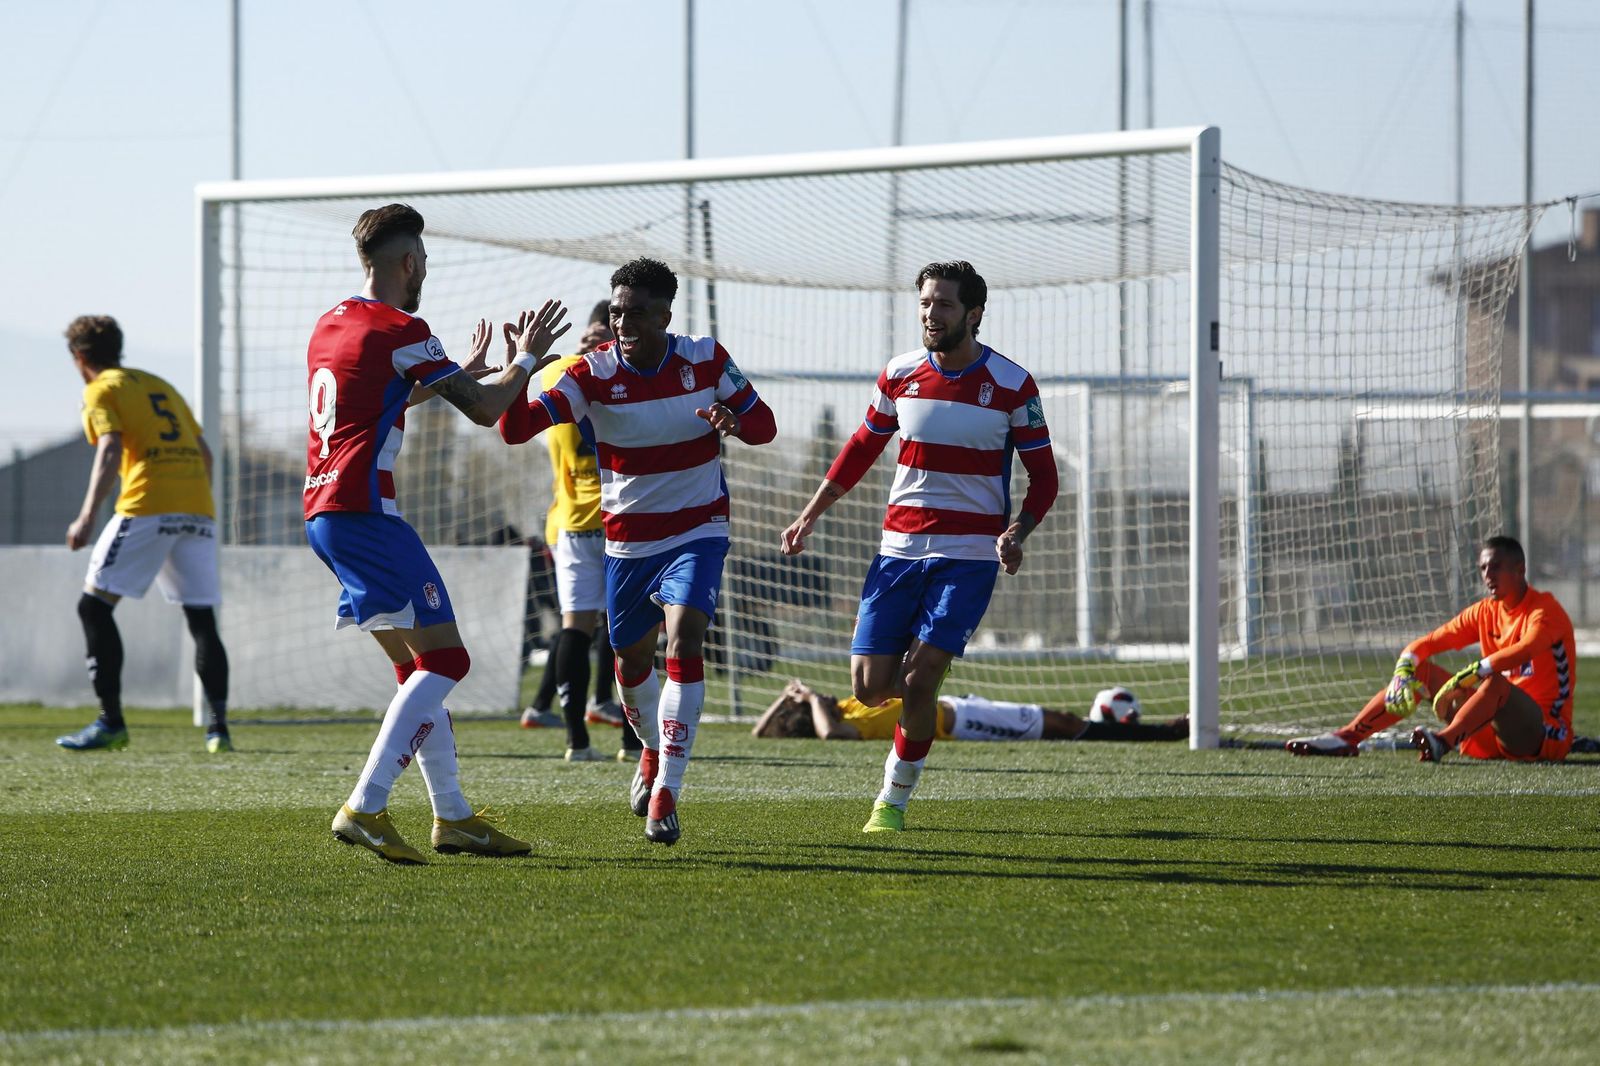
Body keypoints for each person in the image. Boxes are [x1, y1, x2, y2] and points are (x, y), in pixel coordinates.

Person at [307, 202, 571, 864]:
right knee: (448, 661)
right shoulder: (405, 327)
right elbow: (485, 414)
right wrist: (527, 360)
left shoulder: (331, 323)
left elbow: (382, 396)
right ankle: (365, 806)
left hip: (324, 515)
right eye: (423, 262)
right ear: (409, 263)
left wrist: (462, 374)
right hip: (368, 513)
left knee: (413, 669)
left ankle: (453, 817)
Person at [500, 257, 777, 845]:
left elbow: (766, 427)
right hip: (627, 541)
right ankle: (651, 750)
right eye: (618, 311)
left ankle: (668, 791)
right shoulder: (589, 373)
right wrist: (523, 366)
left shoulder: (706, 360)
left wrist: (733, 420)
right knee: (629, 663)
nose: (623, 323)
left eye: (636, 313)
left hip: (699, 531)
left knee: (686, 637)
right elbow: (514, 429)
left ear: (665, 315)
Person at [781, 260, 1059, 834]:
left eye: (945, 304)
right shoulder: (898, 374)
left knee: (922, 677)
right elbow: (860, 448)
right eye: (926, 303)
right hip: (898, 549)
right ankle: (913, 684)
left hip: (969, 555)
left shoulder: (1012, 385)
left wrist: (1017, 532)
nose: (932, 314)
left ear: (974, 314)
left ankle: (892, 801)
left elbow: (1046, 477)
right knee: (869, 687)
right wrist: (810, 514)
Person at [54, 315, 233, 754]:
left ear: (80, 359)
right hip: (198, 509)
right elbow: (204, 452)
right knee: (201, 619)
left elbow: (111, 446)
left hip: (146, 506)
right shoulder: (160, 385)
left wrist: (85, 517)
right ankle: (218, 731)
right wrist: (191, 500)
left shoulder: (100, 389)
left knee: (93, 607)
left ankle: (110, 722)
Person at [1286, 535, 1576, 763]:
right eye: (1483, 568)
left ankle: (1443, 741)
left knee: (1495, 682)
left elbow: (1527, 648)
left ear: (1519, 569)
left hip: (1542, 734)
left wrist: (1479, 669)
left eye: (1495, 566)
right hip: (1490, 733)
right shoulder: (1484, 611)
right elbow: (1429, 642)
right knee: (1421, 672)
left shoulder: (1544, 609)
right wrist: (1404, 667)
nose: (1487, 574)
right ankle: (1347, 737)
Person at [520, 299, 638, 763]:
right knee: (598, 627)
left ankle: (608, 736)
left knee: (606, 628)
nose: (592, 342)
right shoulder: (614, 375)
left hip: (594, 522)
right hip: (599, 522)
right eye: (590, 335)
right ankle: (592, 738)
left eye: (599, 335)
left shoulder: (565, 375)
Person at [752, 679, 1188, 742]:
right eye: (815, 701)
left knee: (1060, 720)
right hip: (961, 724)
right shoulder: (846, 724)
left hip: (958, 706)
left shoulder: (850, 704)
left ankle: (1139, 730)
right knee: (1060, 724)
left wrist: (784, 697)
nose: (818, 693)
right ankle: (1163, 733)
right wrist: (807, 700)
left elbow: (759, 733)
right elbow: (831, 737)